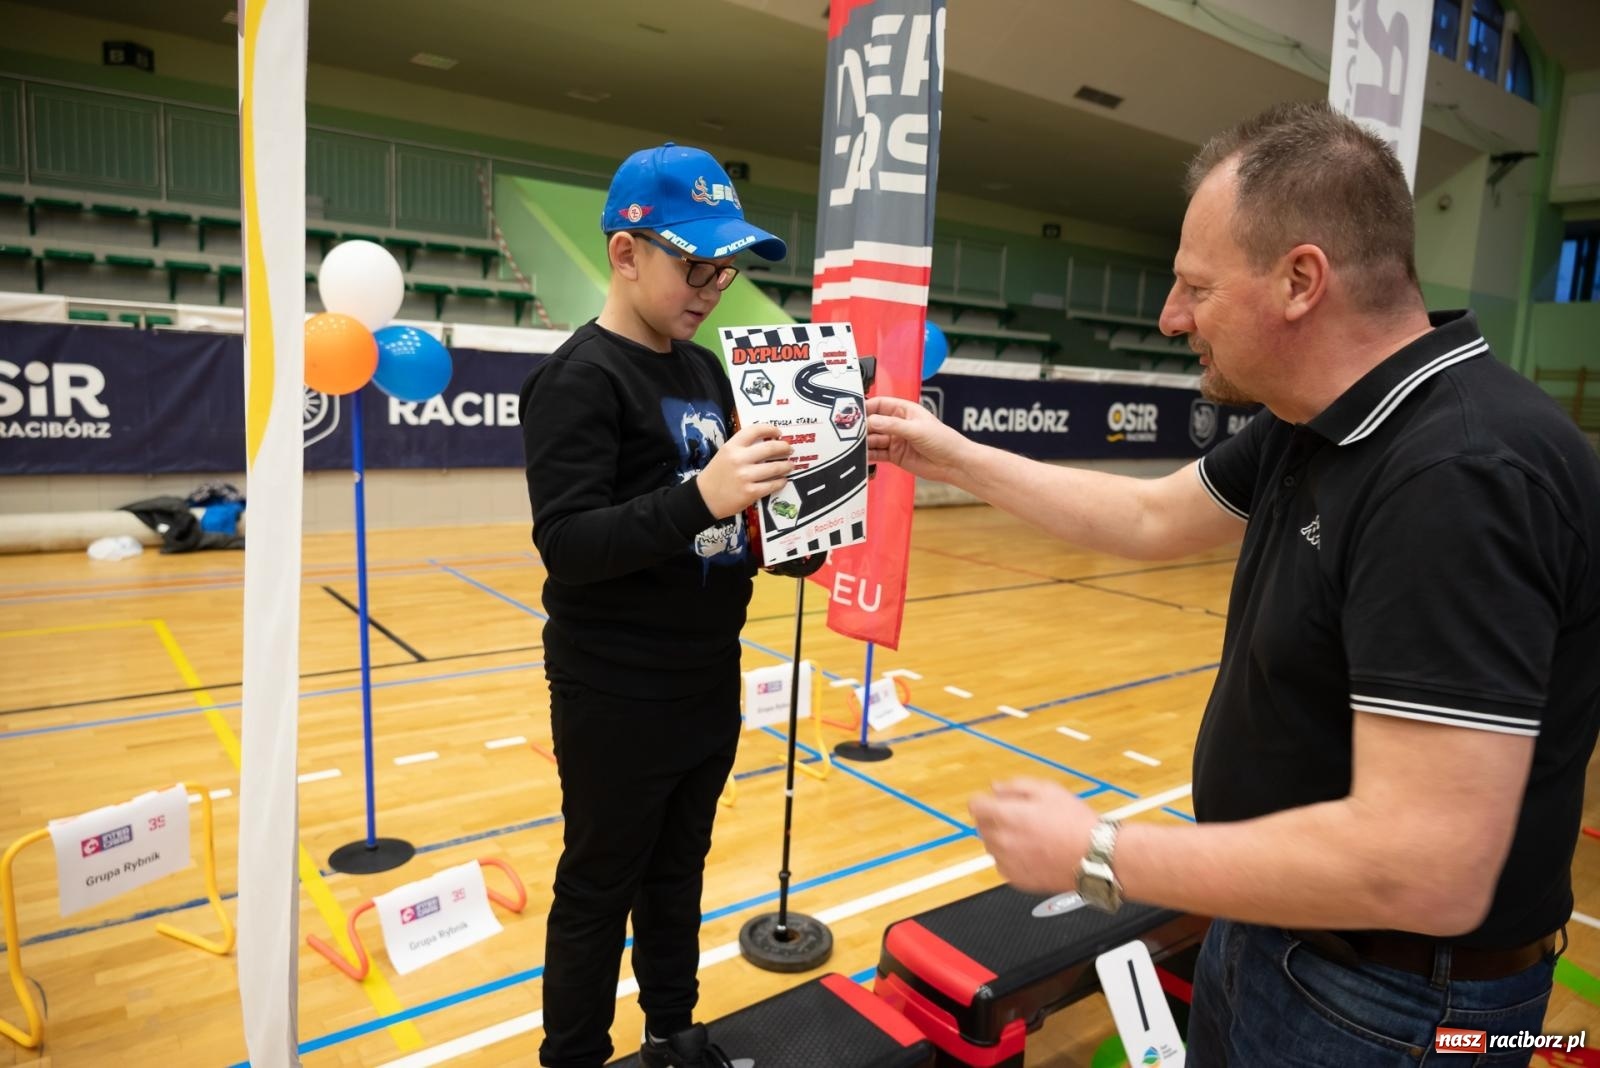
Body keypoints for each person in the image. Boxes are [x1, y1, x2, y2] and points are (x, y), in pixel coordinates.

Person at [866, 101, 1600, 1064]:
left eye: (1195, 288)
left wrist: (1099, 857)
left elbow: (1427, 868)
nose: (1172, 318)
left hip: (1393, 1003)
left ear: (1302, 281)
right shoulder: (1324, 415)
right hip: (1275, 933)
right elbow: (1148, 516)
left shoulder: (1457, 476)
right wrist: (949, 457)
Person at [519, 143, 792, 1068]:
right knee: (601, 885)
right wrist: (703, 499)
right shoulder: (578, 380)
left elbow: (723, 526)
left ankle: (674, 1030)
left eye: (727, 268)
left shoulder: (708, 371)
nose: (714, 286)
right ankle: (575, 1056)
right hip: (615, 691)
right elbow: (569, 544)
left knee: (677, 875)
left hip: (707, 677)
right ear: (625, 253)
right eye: (695, 264)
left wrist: (790, 535)